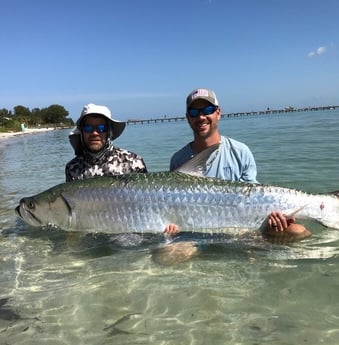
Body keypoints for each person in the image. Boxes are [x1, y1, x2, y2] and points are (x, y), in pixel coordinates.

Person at [166, 88, 311, 240]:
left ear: (218, 113)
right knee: (170, 255)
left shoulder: (240, 151)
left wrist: (273, 221)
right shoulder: (178, 159)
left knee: (299, 232)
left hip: (242, 231)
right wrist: (172, 229)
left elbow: (254, 197)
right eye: (195, 112)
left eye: (207, 110)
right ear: (188, 118)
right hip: (196, 235)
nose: (201, 117)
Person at [65, 103, 147, 181]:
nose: (94, 133)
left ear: (109, 132)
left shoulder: (133, 162)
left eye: (101, 128)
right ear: (81, 133)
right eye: (88, 128)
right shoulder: (72, 168)